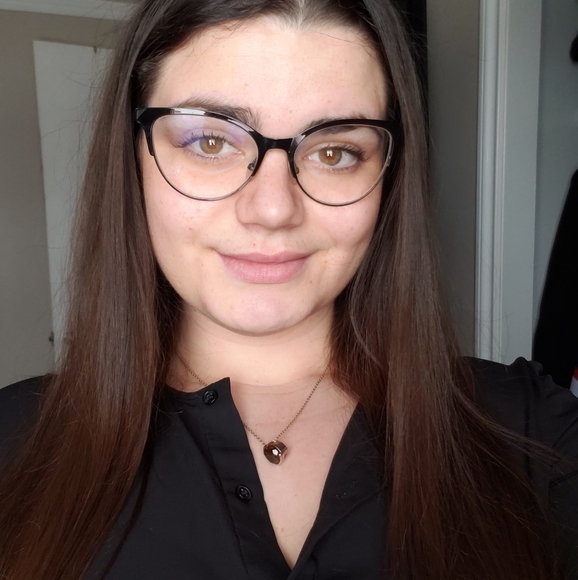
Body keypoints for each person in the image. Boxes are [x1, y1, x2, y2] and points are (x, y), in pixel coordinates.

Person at [1, 1, 577, 579]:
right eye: (210, 142)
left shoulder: (533, 434)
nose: (273, 209)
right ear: (133, 159)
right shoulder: (13, 444)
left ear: (388, 178)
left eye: (334, 153)